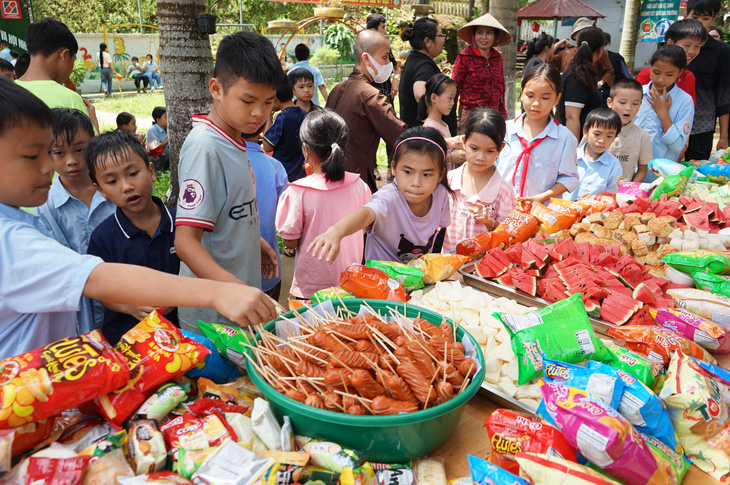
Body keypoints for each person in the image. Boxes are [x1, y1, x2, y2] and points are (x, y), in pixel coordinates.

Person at [0, 78, 277, 360]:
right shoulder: (10, 242)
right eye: (33, 156)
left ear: (150, 171)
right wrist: (219, 292)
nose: (50, 167)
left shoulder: (18, 223)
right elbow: (99, 279)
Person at [174, 31, 282, 335]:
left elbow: (225, 210)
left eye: (269, 102)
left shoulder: (234, 137)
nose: (259, 113)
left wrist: (251, 241)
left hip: (238, 303)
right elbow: (185, 242)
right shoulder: (205, 148)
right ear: (216, 89)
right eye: (248, 100)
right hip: (213, 318)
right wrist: (236, 287)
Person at [86, 131, 179, 345]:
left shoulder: (181, 224)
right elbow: (100, 290)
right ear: (101, 190)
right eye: (111, 181)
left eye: (133, 173)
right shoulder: (103, 237)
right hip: (126, 341)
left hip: (181, 336)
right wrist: (129, 307)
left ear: (151, 171)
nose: (126, 186)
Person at [308, 126, 452, 264]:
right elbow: (367, 213)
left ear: (440, 174)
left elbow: (440, 233)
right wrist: (337, 231)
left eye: (426, 174)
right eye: (408, 172)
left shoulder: (440, 194)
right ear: (394, 167)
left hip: (420, 281)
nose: (416, 183)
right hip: (380, 282)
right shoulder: (389, 197)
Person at [34, 108, 116, 334]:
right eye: (59, 153)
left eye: (80, 150)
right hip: (76, 314)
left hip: (123, 301)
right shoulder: (45, 207)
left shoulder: (117, 194)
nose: (72, 161)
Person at [277, 110, 371, 298]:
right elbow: (362, 229)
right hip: (351, 284)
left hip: (311, 289)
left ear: (306, 149)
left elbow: (290, 241)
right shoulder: (360, 186)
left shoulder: (297, 192)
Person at [327, 29, 407, 193]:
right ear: (366, 59)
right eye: (384, 57)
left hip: (329, 177)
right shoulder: (370, 95)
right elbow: (401, 137)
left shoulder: (336, 89)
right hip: (357, 183)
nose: (388, 65)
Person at [497, 63, 579, 203]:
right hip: (501, 209)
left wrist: (542, 197)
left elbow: (569, 177)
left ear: (557, 99)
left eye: (545, 98)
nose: (536, 103)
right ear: (522, 93)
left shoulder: (565, 138)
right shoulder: (504, 130)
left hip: (541, 213)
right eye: (530, 96)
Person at [443, 108, 515, 252]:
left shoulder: (503, 190)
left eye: (490, 151)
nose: (481, 157)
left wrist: (490, 222)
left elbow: (510, 232)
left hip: (480, 269)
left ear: (500, 149)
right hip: (446, 263)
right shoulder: (449, 180)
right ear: (464, 142)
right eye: (474, 148)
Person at [16, 18, 99, 133]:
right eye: (73, 61)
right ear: (64, 55)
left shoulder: (6, 93)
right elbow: (90, 148)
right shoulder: (70, 100)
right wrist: (93, 122)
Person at [243, 130, 288, 300]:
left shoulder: (222, 164)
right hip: (269, 270)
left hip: (231, 273)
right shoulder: (275, 166)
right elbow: (285, 213)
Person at [634, 45, 695, 165]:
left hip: (659, 172)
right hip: (629, 167)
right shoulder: (636, 93)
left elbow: (678, 145)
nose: (661, 79)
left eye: (669, 75)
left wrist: (663, 114)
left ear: (680, 73)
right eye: (656, 72)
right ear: (650, 68)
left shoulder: (684, 101)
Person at [685, 0, 730, 159]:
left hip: (702, 127)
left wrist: (723, 136)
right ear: (686, 16)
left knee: (696, 175)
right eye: (695, 17)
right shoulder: (673, 45)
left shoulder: (722, 52)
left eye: (705, 18)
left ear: (713, 19)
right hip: (670, 125)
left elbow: (724, 95)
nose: (699, 23)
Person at [452, 13, 511, 128]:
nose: (484, 37)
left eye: (488, 33)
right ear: (474, 35)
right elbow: (454, 88)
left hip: (493, 113)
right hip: (470, 114)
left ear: (495, 36)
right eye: (480, 32)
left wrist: (502, 111)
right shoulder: (464, 57)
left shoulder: (498, 58)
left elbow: (501, 87)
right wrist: (450, 115)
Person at [400, 17, 457, 135]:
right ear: (428, 41)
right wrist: (435, 121)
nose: (444, 40)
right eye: (441, 36)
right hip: (426, 140)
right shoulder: (424, 66)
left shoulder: (415, 59)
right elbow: (419, 93)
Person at [636, 19, 706, 104]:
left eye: (697, 46)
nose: (692, 51)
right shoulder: (646, 74)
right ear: (670, 43)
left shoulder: (689, 77)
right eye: (687, 45)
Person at [556, 27, 606, 140]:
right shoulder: (577, 76)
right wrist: (574, 152)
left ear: (577, 48)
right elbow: (571, 117)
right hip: (574, 143)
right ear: (600, 50)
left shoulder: (583, 72)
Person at [566, 108, 623, 201]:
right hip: (561, 210)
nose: (602, 140)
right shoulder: (569, 155)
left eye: (609, 136)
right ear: (585, 132)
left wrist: (595, 199)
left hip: (593, 214)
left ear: (614, 138)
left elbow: (613, 196)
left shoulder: (614, 165)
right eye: (597, 134)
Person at [606, 79, 653, 182]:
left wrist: (629, 190)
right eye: (622, 102)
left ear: (640, 104)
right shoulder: (596, 129)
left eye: (635, 104)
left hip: (623, 193)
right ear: (610, 102)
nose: (628, 108)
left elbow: (643, 169)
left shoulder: (642, 136)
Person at [263, 75, 307, 182]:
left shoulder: (282, 118)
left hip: (284, 174)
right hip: (302, 174)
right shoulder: (305, 115)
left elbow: (267, 146)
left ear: (275, 99)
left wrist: (268, 116)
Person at [570, 17, 614, 92]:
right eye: (580, 32)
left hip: (590, 90)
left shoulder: (599, 51)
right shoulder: (567, 51)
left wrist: (600, 83)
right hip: (571, 89)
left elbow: (609, 70)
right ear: (575, 36)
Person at [367, 13, 401, 105]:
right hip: (372, 101)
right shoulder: (364, 52)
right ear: (374, 31)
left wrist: (395, 81)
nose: (385, 31)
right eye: (383, 27)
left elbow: (397, 69)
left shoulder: (386, 49)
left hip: (388, 99)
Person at [417, 73, 456, 143]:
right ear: (433, 98)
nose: (453, 103)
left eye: (454, 98)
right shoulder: (430, 128)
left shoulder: (443, 124)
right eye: (450, 98)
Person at [146, 106, 169, 171]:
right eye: (166, 117)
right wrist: (168, 140)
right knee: (167, 152)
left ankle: (166, 169)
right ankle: (156, 170)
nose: (169, 119)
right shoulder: (152, 130)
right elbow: (156, 148)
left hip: (163, 155)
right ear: (158, 120)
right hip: (153, 156)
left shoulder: (168, 128)